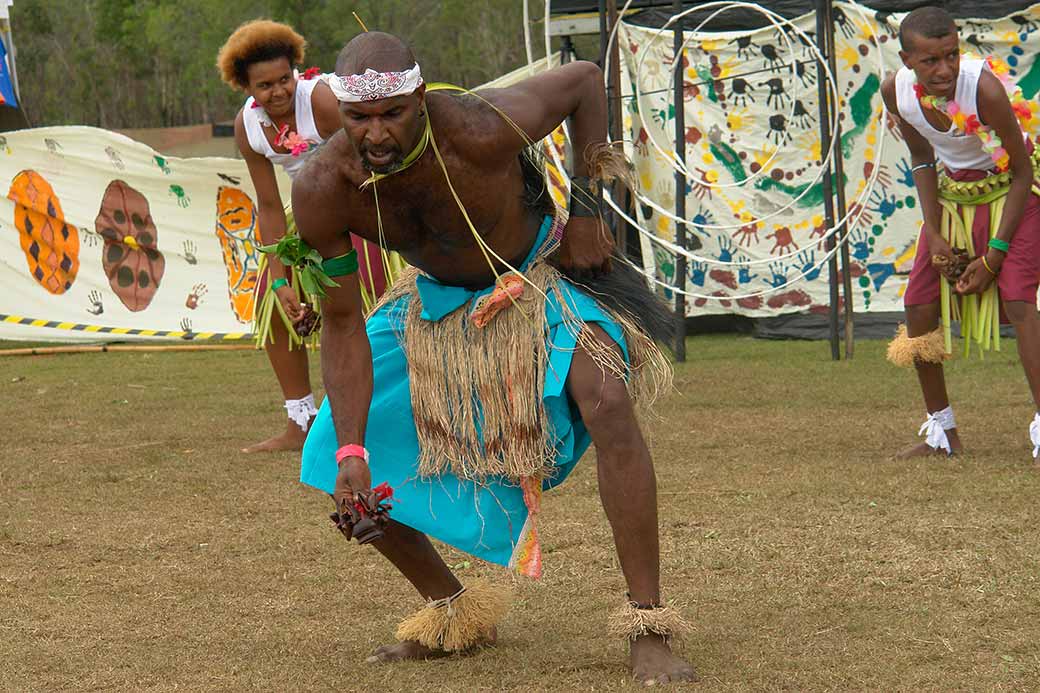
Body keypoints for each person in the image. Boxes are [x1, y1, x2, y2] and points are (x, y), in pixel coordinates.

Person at [288, 32, 696, 684]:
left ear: (420, 99)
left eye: (391, 112)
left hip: (540, 274)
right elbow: (340, 324)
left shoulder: (478, 128)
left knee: (608, 399)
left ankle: (648, 624)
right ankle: (451, 611)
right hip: (434, 304)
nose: (375, 134)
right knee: (329, 444)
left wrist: (590, 213)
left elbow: (586, 80)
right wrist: (352, 454)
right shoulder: (324, 186)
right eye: (358, 117)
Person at [216, 20, 390, 453]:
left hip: (366, 201)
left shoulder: (323, 102)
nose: (277, 92)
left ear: (297, 71)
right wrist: (278, 279)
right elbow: (271, 207)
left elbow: (367, 165)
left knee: (363, 302)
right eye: (264, 86)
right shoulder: (248, 128)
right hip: (308, 209)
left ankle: (361, 418)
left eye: (283, 79)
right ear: (244, 86)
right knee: (271, 309)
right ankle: (301, 422)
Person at [882, 7, 1040, 460]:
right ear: (907, 59)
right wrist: (933, 233)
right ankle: (943, 434)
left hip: (1016, 191)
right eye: (931, 60)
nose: (945, 69)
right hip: (954, 199)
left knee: (1017, 299)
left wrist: (993, 257)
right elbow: (922, 159)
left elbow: (1023, 170)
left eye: (951, 55)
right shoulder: (896, 91)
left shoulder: (983, 88)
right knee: (918, 304)